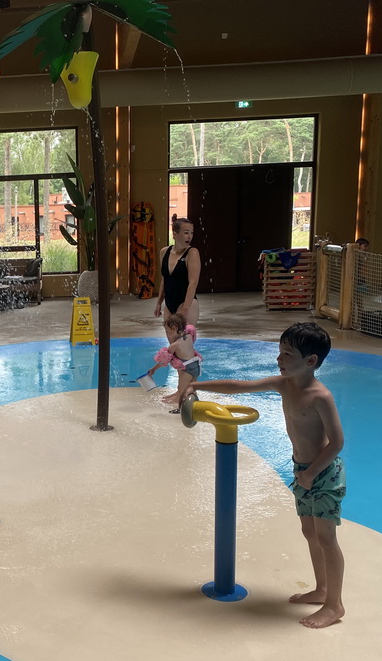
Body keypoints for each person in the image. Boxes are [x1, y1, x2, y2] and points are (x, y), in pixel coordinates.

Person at [186, 322, 346, 629]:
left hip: (323, 474)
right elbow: (240, 386)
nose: (279, 359)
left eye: (287, 354)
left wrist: (312, 472)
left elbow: (337, 443)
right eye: (280, 351)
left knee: (326, 538)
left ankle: (334, 605)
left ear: (310, 361)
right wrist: (199, 385)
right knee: (310, 533)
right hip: (303, 472)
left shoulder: (320, 396)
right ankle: (322, 588)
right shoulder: (284, 384)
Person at [145, 312, 200, 410]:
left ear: (174, 328)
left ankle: (182, 409)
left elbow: (163, 361)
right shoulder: (189, 337)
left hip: (186, 369)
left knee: (182, 390)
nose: (167, 334)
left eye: (167, 331)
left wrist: (153, 369)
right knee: (192, 388)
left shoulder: (174, 346)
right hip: (196, 366)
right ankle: (196, 405)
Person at [154, 214, 201, 324]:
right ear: (175, 234)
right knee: (172, 339)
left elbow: (193, 283)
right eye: (186, 233)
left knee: (183, 340)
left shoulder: (192, 253)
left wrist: (185, 309)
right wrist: (158, 303)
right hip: (169, 304)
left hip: (186, 302)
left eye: (191, 233)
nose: (189, 236)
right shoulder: (164, 252)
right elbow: (165, 279)